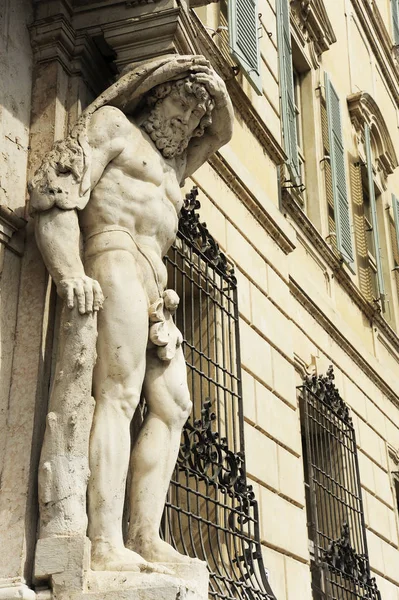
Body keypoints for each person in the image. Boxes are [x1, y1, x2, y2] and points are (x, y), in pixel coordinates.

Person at [30, 55, 234, 572]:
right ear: (155, 94)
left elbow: (225, 133)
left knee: (173, 408)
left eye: (195, 118)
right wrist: (69, 271)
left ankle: (144, 535)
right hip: (113, 254)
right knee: (118, 396)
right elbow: (57, 195)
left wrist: (211, 84)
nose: (186, 122)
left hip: (155, 289)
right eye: (181, 104)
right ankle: (102, 541)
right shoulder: (113, 126)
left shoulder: (175, 166)